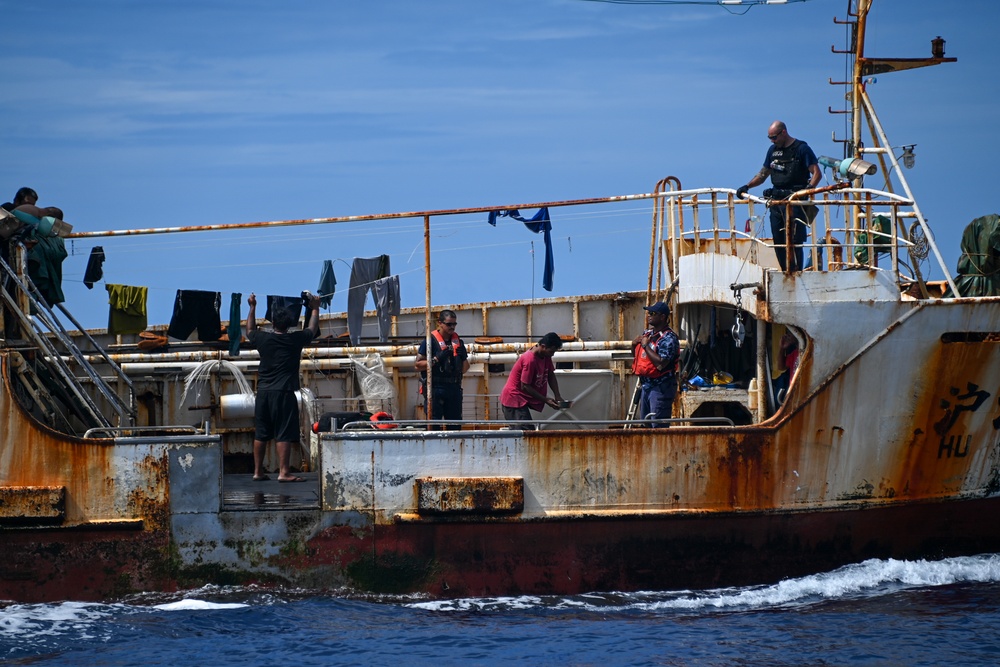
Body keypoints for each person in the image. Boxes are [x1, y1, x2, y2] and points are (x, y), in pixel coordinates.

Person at [246, 291, 320, 482]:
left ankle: (257, 471)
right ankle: (284, 472)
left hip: (263, 393)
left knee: (261, 433)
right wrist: (315, 309)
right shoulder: (295, 340)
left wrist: (252, 307)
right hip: (284, 392)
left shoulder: (262, 339)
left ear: (272, 323)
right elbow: (311, 329)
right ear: (289, 325)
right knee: (283, 432)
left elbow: (249, 331)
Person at [736, 121, 821, 272]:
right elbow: (763, 175)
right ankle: (785, 271)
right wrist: (747, 186)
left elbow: (816, 173)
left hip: (795, 201)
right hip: (776, 201)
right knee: (778, 240)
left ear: (783, 132)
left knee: (795, 240)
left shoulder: (802, 149)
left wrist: (807, 191)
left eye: (774, 137)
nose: (772, 141)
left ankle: (796, 272)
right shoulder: (772, 151)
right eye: (770, 138)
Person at [414, 309, 469, 429]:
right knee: (434, 424)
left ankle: (454, 446)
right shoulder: (430, 342)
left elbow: (465, 369)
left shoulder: (458, 342)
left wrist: (463, 356)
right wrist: (436, 359)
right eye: (449, 324)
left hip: (454, 387)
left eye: (454, 324)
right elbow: (417, 365)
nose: (452, 327)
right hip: (435, 388)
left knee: (455, 424)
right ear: (440, 323)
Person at [500, 332, 565, 429]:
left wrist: (557, 395)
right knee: (526, 432)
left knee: (526, 431)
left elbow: (550, 375)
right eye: (551, 351)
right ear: (543, 346)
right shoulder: (530, 360)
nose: (552, 354)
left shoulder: (545, 356)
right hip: (514, 398)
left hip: (521, 398)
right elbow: (525, 385)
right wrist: (546, 400)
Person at [631, 301, 680, 427]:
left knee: (658, 427)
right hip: (646, 386)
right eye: (648, 313)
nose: (649, 315)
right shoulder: (647, 334)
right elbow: (636, 356)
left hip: (660, 388)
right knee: (645, 426)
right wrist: (633, 344)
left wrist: (646, 345)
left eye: (653, 313)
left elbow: (661, 363)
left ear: (663, 317)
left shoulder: (669, 338)